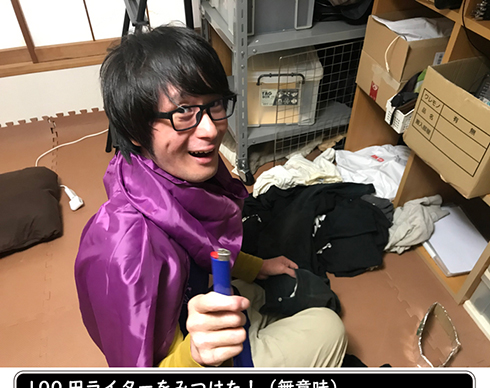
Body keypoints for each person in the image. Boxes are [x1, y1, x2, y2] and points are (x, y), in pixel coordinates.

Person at [75, 24, 347, 368]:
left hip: (192, 305)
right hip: (184, 357)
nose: (211, 129)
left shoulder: (158, 175)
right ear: (134, 130)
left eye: (214, 104)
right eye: (183, 112)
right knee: (329, 327)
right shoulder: (125, 250)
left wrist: (256, 267)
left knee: (278, 290)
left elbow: (198, 241)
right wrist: (195, 354)